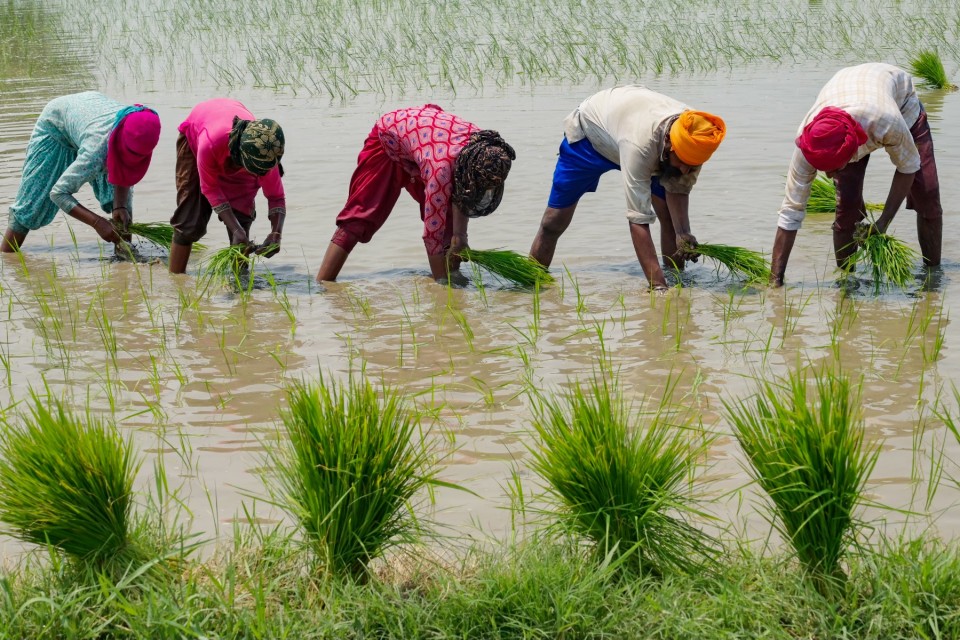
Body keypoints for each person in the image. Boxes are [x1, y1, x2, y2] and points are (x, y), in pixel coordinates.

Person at [528, 85, 726, 290]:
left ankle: (677, 279)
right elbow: (638, 220)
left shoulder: (696, 138)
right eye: (683, 163)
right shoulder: (640, 145)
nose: (686, 170)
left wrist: (683, 233)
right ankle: (531, 283)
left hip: (639, 137)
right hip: (590, 138)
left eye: (692, 166)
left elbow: (678, 189)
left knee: (668, 217)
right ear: (669, 144)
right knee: (553, 222)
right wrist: (658, 288)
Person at [770, 62, 942, 286]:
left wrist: (883, 222)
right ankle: (848, 282)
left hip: (899, 101)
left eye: (833, 169)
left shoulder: (887, 122)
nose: (830, 177)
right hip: (847, 91)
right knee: (847, 206)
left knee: (927, 192)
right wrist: (775, 281)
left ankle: (933, 278)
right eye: (825, 170)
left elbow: (908, 167)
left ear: (852, 151)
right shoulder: (809, 143)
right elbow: (790, 213)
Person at [315, 104, 515, 282]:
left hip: (425, 142)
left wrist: (460, 236)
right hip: (388, 140)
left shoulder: (484, 148)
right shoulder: (441, 170)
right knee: (360, 217)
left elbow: (463, 191)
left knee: (449, 224)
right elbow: (431, 235)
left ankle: (454, 277)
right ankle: (322, 285)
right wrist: (442, 287)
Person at [2, 91, 161, 253]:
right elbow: (58, 193)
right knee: (31, 206)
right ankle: (6, 257)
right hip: (55, 127)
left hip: (87, 117)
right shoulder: (96, 152)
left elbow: (125, 170)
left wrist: (120, 206)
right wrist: (97, 223)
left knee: (123, 207)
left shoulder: (143, 125)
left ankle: (125, 257)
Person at [169, 98, 286, 273]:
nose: (260, 175)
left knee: (242, 220)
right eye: (254, 171)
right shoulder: (210, 143)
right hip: (198, 134)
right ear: (241, 157)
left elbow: (276, 197)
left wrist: (276, 233)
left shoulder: (265, 154)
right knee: (189, 222)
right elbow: (210, 189)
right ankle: (176, 280)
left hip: (241, 153)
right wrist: (235, 228)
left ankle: (240, 287)